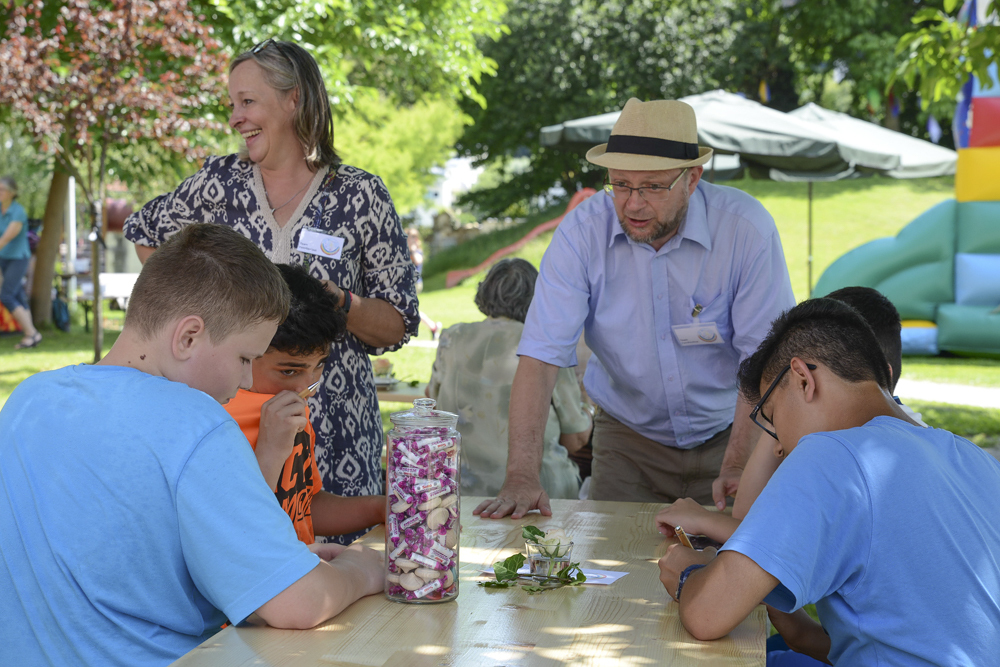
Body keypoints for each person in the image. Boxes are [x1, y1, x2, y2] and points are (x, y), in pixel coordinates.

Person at [0, 224, 383, 667]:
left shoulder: (28, 399)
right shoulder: (197, 423)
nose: (245, 379)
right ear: (188, 337)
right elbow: (300, 604)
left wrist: (274, 563)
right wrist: (361, 568)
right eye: (244, 358)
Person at [124, 41, 419, 543]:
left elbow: (398, 322)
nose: (235, 118)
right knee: (236, 540)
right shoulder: (218, 184)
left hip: (337, 427)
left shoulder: (361, 195)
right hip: (233, 421)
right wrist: (208, 307)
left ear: (294, 99)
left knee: (338, 560)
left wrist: (339, 301)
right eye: (232, 104)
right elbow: (146, 234)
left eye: (247, 102)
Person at [474, 98, 795, 519]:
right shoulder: (581, 234)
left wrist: (738, 461)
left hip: (732, 432)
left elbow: (765, 360)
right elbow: (540, 357)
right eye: (621, 184)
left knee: (733, 554)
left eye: (653, 187)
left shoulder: (745, 230)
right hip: (627, 441)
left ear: (692, 178)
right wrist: (521, 476)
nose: (633, 204)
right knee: (608, 557)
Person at [657, 298, 1000, 666]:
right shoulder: (976, 459)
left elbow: (706, 615)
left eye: (771, 417)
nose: (779, 445)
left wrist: (687, 573)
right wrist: (795, 627)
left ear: (803, 379)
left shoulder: (831, 453)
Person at [654, 286, 928, 543]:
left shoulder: (855, 459)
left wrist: (704, 525)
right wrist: (779, 413)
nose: (779, 445)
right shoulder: (927, 443)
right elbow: (749, 516)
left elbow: (781, 545)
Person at [225, 263, 385, 544]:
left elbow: (304, 506)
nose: (307, 386)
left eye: (319, 365)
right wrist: (271, 453)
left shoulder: (288, 408)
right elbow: (233, 528)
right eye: (289, 371)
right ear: (245, 354)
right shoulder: (220, 422)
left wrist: (380, 508)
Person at [427, 258, 591, 499]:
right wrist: (588, 406)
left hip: (458, 489)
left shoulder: (453, 336)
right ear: (539, 298)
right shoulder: (546, 343)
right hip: (538, 492)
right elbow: (575, 439)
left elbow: (430, 401)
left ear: (485, 291)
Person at [0, 176, 42, 349]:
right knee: (17, 295)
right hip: (3, 257)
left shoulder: (18, 212)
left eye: (2, 189)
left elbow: (5, 238)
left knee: (7, 295)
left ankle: (32, 333)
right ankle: (30, 336)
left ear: (12, 193)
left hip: (18, 258)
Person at [407, 227, 442, 339]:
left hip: (414, 284)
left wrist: (412, 249)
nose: (410, 239)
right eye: (408, 236)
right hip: (406, 284)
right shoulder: (404, 251)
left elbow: (417, 260)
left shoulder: (417, 251)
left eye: (413, 236)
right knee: (409, 309)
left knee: (410, 309)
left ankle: (433, 326)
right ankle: (433, 327)